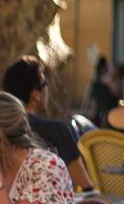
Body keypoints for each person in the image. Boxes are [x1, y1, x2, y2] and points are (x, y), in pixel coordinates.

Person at [1, 56, 88, 189]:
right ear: (35, 94)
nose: (48, 87)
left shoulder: (4, 129)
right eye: (45, 82)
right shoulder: (57, 130)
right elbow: (84, 184)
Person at [81, 54, 117, 125]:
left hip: (99, 106)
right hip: (105, 105)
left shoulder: (96, 78)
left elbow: (89, 92)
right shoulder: (105, 79)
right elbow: (114, 92)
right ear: (103, 67)